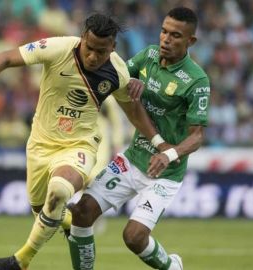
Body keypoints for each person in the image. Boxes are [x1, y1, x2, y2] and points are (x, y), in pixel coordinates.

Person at [0, 13, 164, 270]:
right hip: (40, 144)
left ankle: (20, 260)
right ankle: (77, 225)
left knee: (60, 190)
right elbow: (5, 58)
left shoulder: (117, 71)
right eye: (89, 48)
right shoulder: (58, 48)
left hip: (79, 145)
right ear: (82, 38)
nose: (93, 56)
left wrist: (160, 142)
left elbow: (134, 112)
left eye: (101, 52)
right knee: (43, 210)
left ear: (112, 48)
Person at [67, 7, 210, 270]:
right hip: (132, 159)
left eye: (175, 35)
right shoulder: (148, 56)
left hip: (164, 172)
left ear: (190, 41)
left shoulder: (197, 80)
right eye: (164, 31)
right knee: (82, 213)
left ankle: (171, 267)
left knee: (133, 237)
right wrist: (129, 82)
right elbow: (117, 76)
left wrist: (169, 154)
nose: (166, 39)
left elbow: (197, 137)